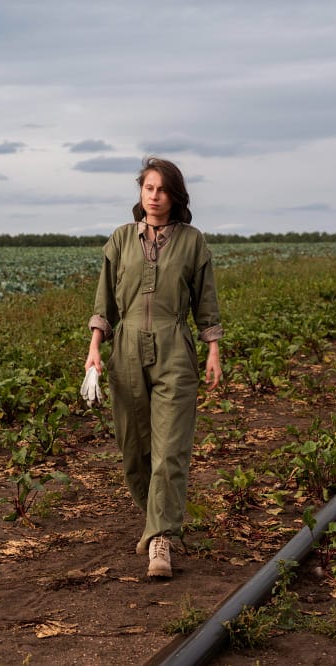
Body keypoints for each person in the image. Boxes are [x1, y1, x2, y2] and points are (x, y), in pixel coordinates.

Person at [85, 156, 223, 579]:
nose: (155, 196)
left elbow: (206, 301)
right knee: (133, 449)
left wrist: (214, 349)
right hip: (124, 348)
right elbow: (104, 302)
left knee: (169, 450)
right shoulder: (121, 240)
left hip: (175, 349)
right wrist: (93, 350)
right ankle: (154, 519)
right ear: (140, 193)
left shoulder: (192, 241)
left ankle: (161, 537)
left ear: (175, 195)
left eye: (163, 190)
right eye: (149, 188)